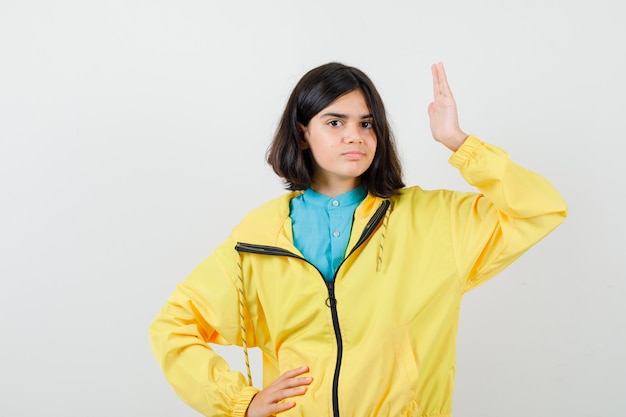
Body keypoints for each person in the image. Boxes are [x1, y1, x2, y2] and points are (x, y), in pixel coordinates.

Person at [149, 62, 567, 417]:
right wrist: (241, 402)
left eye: (367, 123)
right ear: (302, 133)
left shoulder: (436, 221)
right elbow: (173, 326)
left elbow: (541, 209)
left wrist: (458, 143)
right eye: (335, 122)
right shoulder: (258, 237)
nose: (356, 135)